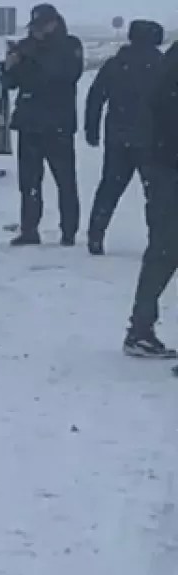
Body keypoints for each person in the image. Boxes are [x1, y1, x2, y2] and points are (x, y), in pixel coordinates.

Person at [0, 3, 85, 246]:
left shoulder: (70, 45)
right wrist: (10, 65)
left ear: (54, 23)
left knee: (65, 181)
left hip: (58, 123)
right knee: (29, 183)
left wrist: (29, 60)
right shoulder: (25, 46)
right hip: (29, 123)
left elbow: (65, 75)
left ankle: (68, 231)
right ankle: (29, 228)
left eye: (42, 25)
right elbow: (9, 83)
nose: (37, 31)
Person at [84, 20, 166, 255]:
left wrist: (92, 129)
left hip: (118, 138)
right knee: (156, 195)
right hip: (152, 140)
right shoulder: (163, 66)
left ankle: (95, 236)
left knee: (109, 188)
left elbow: (95, 97)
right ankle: (158, 241)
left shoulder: (115, 64)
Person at [124, 36, 178, 359]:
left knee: (164, 251)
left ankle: (140, 329)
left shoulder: (168, 62)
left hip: (164, 166)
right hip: (169, 168)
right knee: (164, 250)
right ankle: (140, 329)